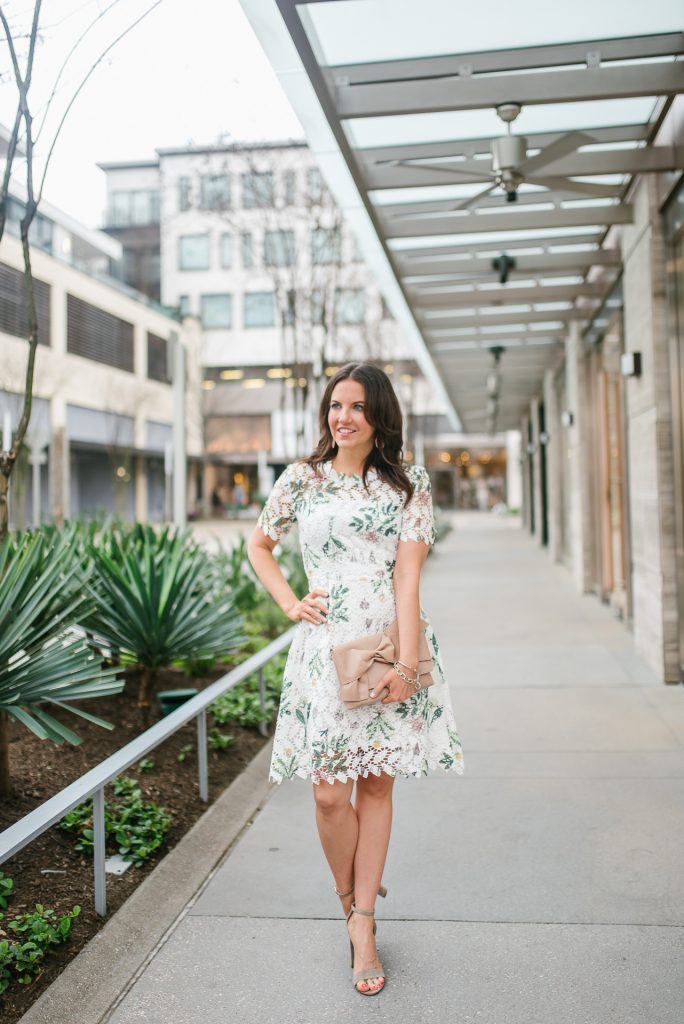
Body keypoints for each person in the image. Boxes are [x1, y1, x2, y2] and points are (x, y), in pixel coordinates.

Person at [247, 361, 464, 996]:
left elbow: (407, 578)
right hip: (324, 653)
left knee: (373, 788)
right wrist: (290, 602)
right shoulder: (301, 480)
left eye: (357, 407)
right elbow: (259, 546)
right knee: (327, 795)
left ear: (379, 417)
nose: (343, 417)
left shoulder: (408, 484)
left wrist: (405, 663)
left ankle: (363, 924)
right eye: (336, 406)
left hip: (388, 643)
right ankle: (350, 898)